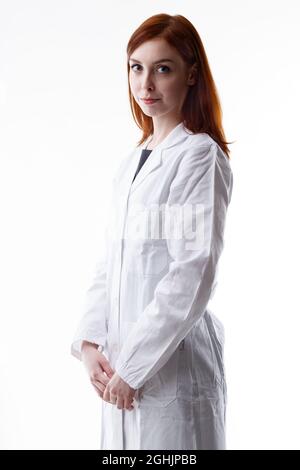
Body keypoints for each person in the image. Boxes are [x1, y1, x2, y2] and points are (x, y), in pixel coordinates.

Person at [71, 13, 234, 450]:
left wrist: (134, 369)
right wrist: (90, 346)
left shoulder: (199, 157)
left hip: (169, 372)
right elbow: (111, 263)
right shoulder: (131, 164)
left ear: (192, 73)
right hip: (120, 372)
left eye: (163, 68)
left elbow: (192, 271)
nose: (146, 84)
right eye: (136, 67)